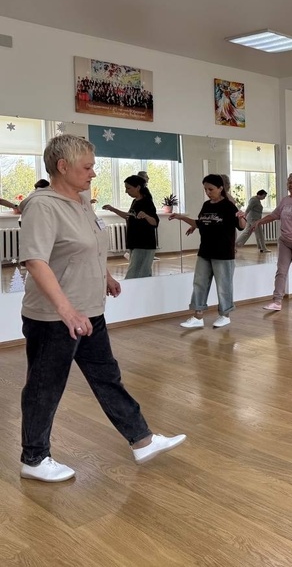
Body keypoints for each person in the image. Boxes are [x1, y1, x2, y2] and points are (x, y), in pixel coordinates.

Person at [16, 134, 185, 483]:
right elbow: (35, 261)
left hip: (89, 310)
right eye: (88, 167)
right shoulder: (42, 205)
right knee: (45, 387)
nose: (94, 173)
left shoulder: (81, 202)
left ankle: (142, 440)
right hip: (54, 318)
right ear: (63, 167)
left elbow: (89, 245)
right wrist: (68, 312)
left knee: (107, 376)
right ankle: (34, 458)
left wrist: (105, 276)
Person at [170, 174, 246, 328]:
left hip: (223, 253)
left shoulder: (228, 205)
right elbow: (200, 223)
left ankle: (225, 315)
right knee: (199, 283)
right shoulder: (206, 205)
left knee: (223, 286)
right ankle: (198, 316)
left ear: (220, 188)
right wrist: (181, 218)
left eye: (211, 189)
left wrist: (241, 217)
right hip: (205, 251)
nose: (208, 192)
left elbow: (241, 226)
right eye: (205, 189)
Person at [253, 173, 292, 312]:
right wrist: (259, 222)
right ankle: (277, 301)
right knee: (281, 271)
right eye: (290, 182)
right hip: (284, 241)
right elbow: (274, 215)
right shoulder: (284, 201)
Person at [102, 175, 159, 279]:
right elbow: (129, 216)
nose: (126, 191)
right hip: (135, 242)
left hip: (144, 244)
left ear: (138, 187)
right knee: (140, 272)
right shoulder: (135, 202)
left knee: (136, 273)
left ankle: (132, 289)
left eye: (128, 188)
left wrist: (146, 216)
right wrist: (112, 209)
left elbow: (155, 222)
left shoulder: (147, 202)